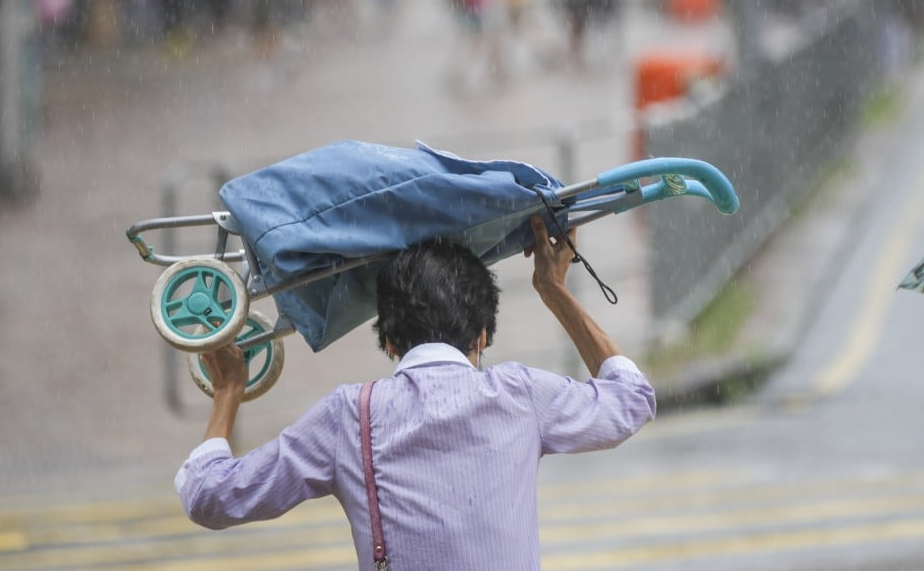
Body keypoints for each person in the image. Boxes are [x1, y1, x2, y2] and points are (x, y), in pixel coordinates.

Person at [175, 216, 656, 569]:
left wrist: (229, 390)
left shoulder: (349, 417)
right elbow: (632, 399)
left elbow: (208, 496)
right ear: (481, 337)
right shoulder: (521, 395)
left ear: (388, 340)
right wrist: (554, 290)